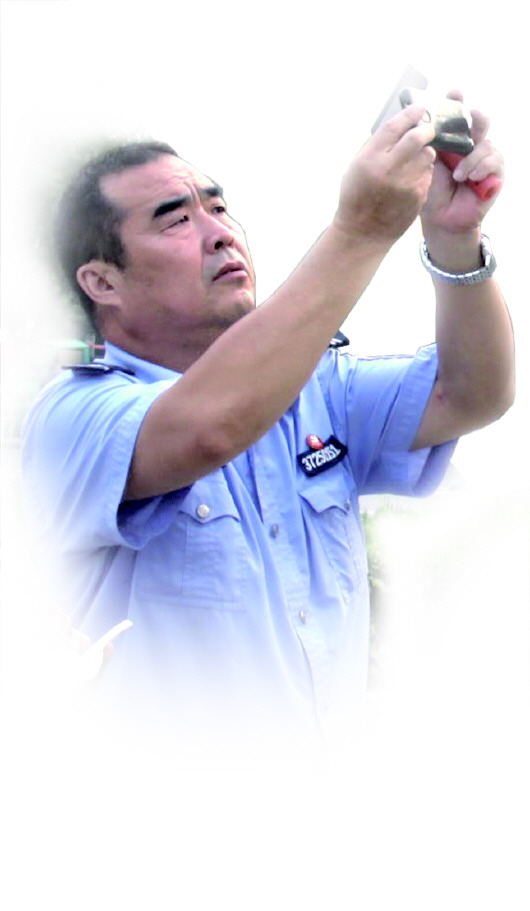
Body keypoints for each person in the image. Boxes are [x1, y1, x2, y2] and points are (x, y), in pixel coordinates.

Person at [22, 97, 514, 759]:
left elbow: (473, 393)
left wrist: (455, 241)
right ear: (102, 282)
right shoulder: (73, 416)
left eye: (219, 208)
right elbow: (208, 428)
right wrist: (363, 228)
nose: (220, 232)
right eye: (176, 219)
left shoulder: (314, 391)